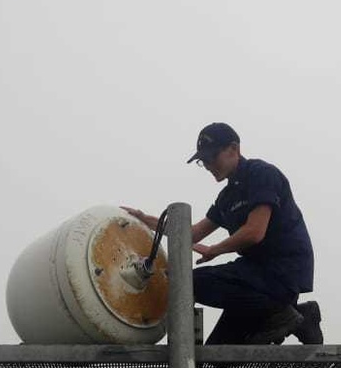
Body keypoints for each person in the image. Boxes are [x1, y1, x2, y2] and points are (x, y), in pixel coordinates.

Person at [124, 122, 322, 345]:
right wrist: (146, 220)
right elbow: (192, 233)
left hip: (281, 273)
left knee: (188, 282)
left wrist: (214, 250)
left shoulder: (262, 175)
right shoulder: (226, 198)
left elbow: (254, 232)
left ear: (233, 149)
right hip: (253, 278)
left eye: (212, 157)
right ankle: (302, 317)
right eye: (203, 161)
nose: (208, 165)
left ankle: (280, 313)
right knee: (219, 354)